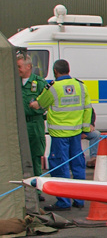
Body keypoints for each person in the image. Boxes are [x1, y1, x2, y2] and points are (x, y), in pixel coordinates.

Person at [30, 59, 91, 210]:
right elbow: (87, 109)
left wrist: (32, 104)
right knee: (77, 166)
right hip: (76, 134)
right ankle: (80, 200)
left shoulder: (53, 88)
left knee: (60, 167)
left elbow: (39, 104)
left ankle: (64, 202)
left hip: (59, 135)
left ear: (55, 71)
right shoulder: (81, 86)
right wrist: (85, 130)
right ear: (68, 70)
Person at [16, 51, 47, 177]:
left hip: (34, 124)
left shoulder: (39, 83)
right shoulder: (14, 82)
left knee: (35, 157)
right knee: (17, 158)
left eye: (19, 67)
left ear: (28, 66)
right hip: (19, 124)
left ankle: (37, 190)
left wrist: (38, 106)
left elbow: (47, 103)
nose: (17, 69)